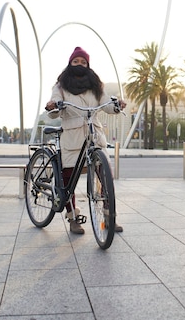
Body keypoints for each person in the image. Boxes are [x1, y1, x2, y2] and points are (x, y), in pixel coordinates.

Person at [45, 46, 126, 234]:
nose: (79, 65)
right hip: (72, 137)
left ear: (88, 65)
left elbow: (106, 103)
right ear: (70, 64)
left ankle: (109, 217)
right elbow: (55, 104)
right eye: (76, 62)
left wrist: (116, 105)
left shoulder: (96, 87)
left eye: (83, 62)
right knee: (68, 181)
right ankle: (73, 218)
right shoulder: (60, 86)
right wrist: (53, 106)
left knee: (105, 177)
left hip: (94, 135)